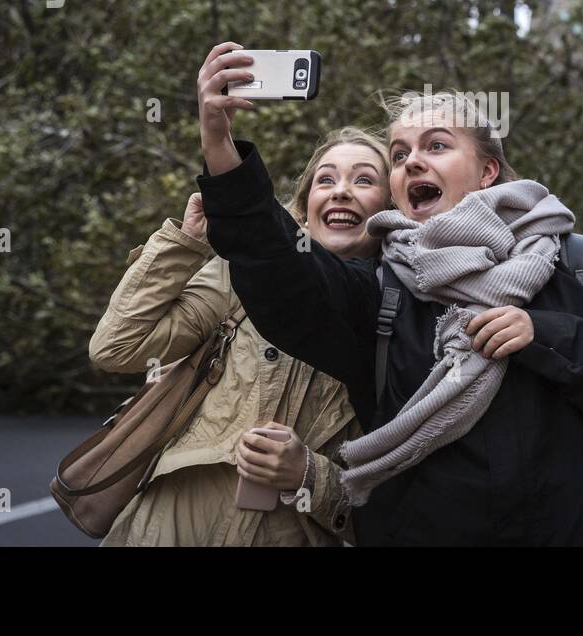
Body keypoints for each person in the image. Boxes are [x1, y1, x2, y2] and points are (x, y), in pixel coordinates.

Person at [193, 41, 583, 545]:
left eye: (435, 146)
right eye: (399, 154)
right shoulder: (379, 290)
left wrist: (546, 334)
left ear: (488, 171)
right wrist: (220, 148)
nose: (411, 163)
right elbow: (282, 268)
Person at [87, 126, 390, 546]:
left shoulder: (402, 320)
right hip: (169, 529)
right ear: (302, 208)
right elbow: (117, 347)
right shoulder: (237, 276)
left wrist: (308, 475)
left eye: (363, 179)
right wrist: (185, 242)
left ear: (391, 209)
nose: (340, 191)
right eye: (325, 179)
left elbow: (397, 501)